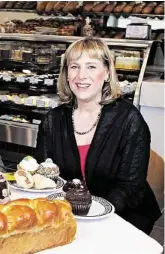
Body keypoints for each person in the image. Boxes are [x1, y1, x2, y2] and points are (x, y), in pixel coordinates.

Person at [35, 37, 161, 234]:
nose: (81, 76)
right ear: (66, 74)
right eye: (74, 66)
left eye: (91, 67)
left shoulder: (129, 120)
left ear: (107, 72)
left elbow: (130, 189)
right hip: (69, 215)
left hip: (122, 216)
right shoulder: (52, 120)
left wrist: (92, 215)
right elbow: (45, 177)